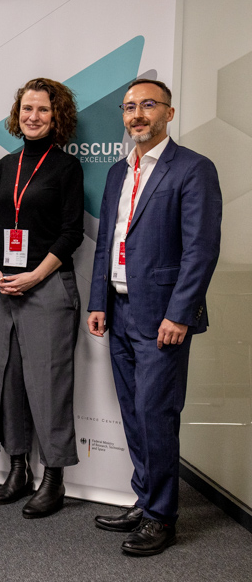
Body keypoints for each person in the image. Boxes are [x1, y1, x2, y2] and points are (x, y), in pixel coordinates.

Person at [88, 79, 221, 556]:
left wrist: (180, 314)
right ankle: (145, 500)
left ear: (169, 112)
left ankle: (162, 516)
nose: (137, 114)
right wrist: (98, 301)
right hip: (120, 310)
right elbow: (107, 243)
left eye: (148, 105)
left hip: (163, 317)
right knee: (133, 412)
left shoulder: (193, 168)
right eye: (129, 107)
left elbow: (201, 250)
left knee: (156, 415)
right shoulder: (117, 172)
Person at [0, 77, 84, 518]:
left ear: (56, 116)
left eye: (42, 109)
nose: (33, 116)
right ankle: (18, 468)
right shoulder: (7, 165)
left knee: (49, 383)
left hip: (47, 287)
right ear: (17, 113)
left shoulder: (66, 167)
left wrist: (34, 276)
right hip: (2, 289)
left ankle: (53, 479)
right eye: (27, 108)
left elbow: (71, 232)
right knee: (6, 378)